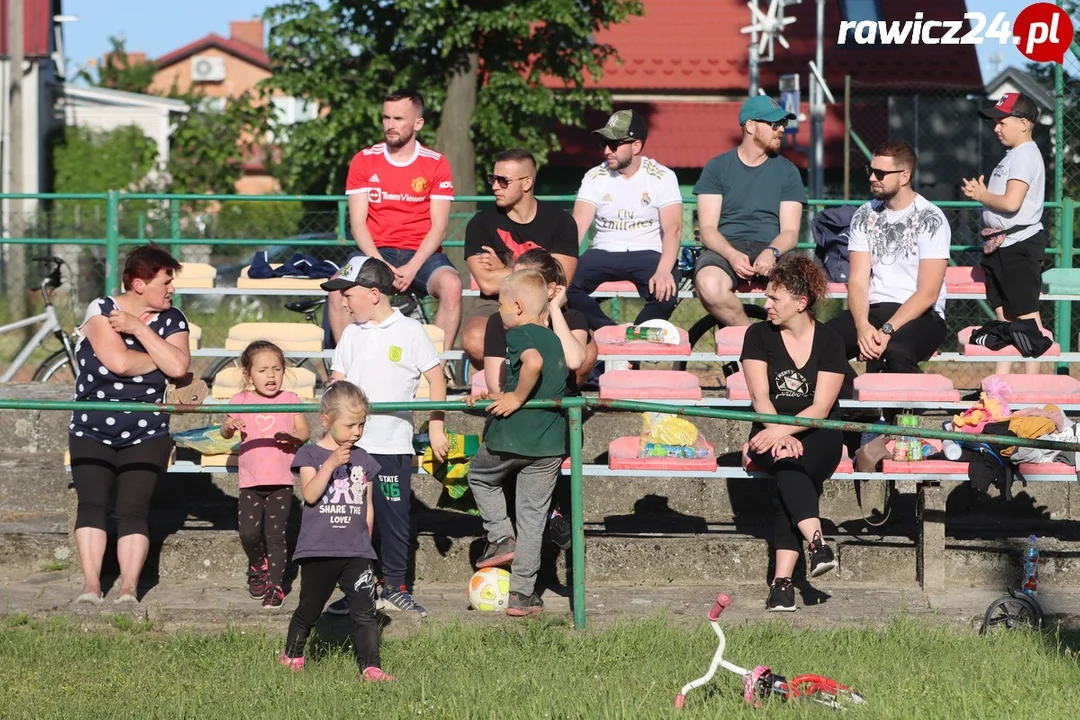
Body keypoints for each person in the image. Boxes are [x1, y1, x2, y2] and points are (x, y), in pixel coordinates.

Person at [322, 256, 449, 618]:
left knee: (395, 517)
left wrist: (436, 425)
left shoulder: (410, 331)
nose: (343, 302)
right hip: (351, 446)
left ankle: (395, 586)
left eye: (349, 294)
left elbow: (436, 378)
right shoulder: (349, 333)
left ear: (375, 293)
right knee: (353, 518)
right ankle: (359, 589)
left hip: (392, 444)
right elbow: (338, 382)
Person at [69, 245, 191, 604]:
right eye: (165, 282)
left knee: (133, 509)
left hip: (148, 427)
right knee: (91, 504)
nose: (172, 289)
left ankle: (127, 588)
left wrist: (138, 328)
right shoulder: (101, 310)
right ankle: (91, 586)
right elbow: (118, 363)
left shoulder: (173, 318)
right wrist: (160, 357)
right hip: (92, 424)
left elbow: (180, 368)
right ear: (139, 284)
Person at [740, 255, 845, 612]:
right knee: (788, 465)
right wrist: (779, 434)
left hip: (820, 431)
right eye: (767, 297)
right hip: (769, 428)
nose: (766, 305)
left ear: (801, 303)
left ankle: (782, 584)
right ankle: (815, 546)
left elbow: (821, 407)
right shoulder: (757, 336)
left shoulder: (830, 340)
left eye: (774, 299)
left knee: (788, 469)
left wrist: (786, 433)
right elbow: (760, 398)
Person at [466, 269, 568, 616]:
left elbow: (532, 364)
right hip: (550, 444)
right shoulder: (555, 337)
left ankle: (499, 536)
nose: (499, 312)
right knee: (533, 519)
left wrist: (516, 399)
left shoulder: (519, 333)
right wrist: (499, 394)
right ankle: (522, 595)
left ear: (519, 306)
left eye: (501, 304)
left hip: (512, 436)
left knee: (480, 477)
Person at [329, 88, 461, 351]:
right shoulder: (364, 160)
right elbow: (357, 224)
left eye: (399, 119)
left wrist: (412, 268)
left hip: (423, 255)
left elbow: (440, 227)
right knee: (336, 289)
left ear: (418, 123)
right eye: (386, 118)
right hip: (374, 252)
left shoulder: (436, 163)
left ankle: (436, 369)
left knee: (453, 286)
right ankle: (346, 372)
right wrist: (380, 264)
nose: (390, 125)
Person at [280, 381, 393, 682]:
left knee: (365, 613)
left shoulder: (364, 459)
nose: (357, 431)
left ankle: (371, 668)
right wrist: (330, 464)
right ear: (326, 421)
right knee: (309, 609)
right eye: (350, 424)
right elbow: (311, 494)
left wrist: (365, 541)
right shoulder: (310, 455)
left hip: (355, 552)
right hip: (319, 550)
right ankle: (292, 654)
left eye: (362, 424)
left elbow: (367, 504)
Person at [826, 142, 950, 374]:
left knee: (897, 351)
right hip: (875, 308)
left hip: (922, 314)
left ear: (904, 176)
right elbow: (858, 281)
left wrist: (886, 330)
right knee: (820, 344)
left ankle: (906, 408)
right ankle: (861, 407)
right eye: (870, 171)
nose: (872, 177)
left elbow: (928, 292)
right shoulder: (863, 215)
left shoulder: (932, 218)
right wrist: (862, 326)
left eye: (880, 173)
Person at [567, 109, 683, 338]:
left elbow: (673, 228)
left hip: (648, 253)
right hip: (603, 252)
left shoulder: (662, 176)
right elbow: (578, 225)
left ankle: (631, 347)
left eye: (614, 143)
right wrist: (560, 266)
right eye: (604, 143)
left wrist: (663, 271)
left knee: (667, 291)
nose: (606, 150)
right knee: (563, 285)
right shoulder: (594, 176)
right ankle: (612, 335)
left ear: (636, 146)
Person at [693, 95, 805, 327]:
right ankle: (749, 337)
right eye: (774, 124)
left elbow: (791, 232)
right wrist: (731, 254)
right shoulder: (717, 167)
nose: (781, 129)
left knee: (797, 289)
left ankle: (788, 350)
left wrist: (771, 251)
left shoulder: (788, 171)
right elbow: (707, 229)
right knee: (709, 284)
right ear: (751, 126)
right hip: (726, 247)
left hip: (773, 248)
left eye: (783, 123)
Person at [462, 148, 579, 367]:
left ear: (527, 183)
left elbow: (560, 278)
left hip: (548, 302)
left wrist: (506, 268)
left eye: (503, 180)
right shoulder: (480, 223)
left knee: (586, 354)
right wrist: (539, 268)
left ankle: (559, 396)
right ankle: (508, 391)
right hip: (497, 302)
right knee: (474, 339)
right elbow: (487, 285)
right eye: (492, 179)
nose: (495, 186)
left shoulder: (561, 222)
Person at [220, 341, 311, 609]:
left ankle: (275, 586)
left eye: (277, 369)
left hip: (281, 482)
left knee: (276, 536)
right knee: (248, 533)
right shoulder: (240, 401)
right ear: (248, 376)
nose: (271, 375)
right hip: (250, 482)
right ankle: (258, 565)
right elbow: (225, 431)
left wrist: (293, 437)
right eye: (262, 370)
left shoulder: (290, 400)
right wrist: (229, 425)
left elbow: (304, 433)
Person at [963, 92, 1047, 376]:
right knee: (1006, 318)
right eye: (995, 122)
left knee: (1026, 318)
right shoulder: (1013, 155)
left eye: (1002, 121)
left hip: (1018, 244)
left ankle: (1031, 390)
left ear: (1024, 123)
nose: (996, 127)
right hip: (1001, 244)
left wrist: (982, 195)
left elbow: (1012, 203)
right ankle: (1002, 385)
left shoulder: (1025, 155)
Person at [484, 248, 593, 396]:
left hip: (560, 405)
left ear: (550, 289)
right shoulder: (500, 320)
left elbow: (573, 361)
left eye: (525, 281)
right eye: (514, 278)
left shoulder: (572, 318)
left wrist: (554, 309)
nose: (514, 287)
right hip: (516, 406)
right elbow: (496, 386)